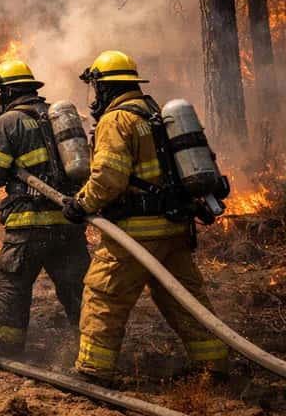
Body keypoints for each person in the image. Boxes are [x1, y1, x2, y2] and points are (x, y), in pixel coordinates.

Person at [63, 50, 229, 383]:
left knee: (104, 295)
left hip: (135, 234)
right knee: (185, 299)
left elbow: (109, 177)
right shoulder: (156, 113)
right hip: (174, 228)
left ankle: (94, 369)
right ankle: (213, 364)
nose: (95, 95)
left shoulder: (116, 120)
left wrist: (81, 204)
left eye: (96, 87)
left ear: (105, 87)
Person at [0, 60, 89, 356]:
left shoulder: (8, 122)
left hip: (28, 226)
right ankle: (91, 347)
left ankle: (5, 347)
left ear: (6, 92)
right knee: (77, 289)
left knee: (13, 286)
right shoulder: (56, 116)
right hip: (67, 222)